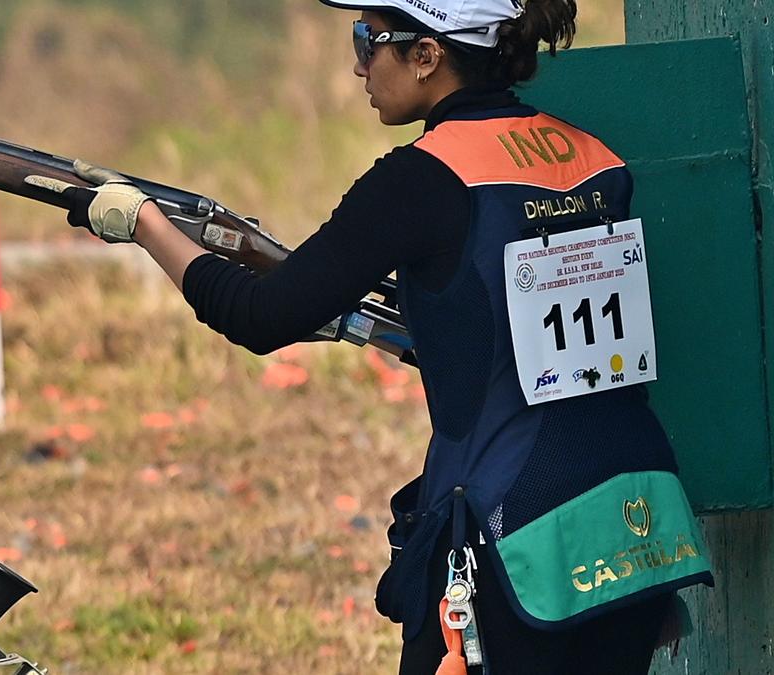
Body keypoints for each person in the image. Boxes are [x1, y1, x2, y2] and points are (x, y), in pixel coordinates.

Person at [35, 1, 714, 672]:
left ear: (428, 56)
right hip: (631, 528)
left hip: (510, 542)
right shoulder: (593, 157)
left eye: (369, 41)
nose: (360, 66)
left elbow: (262, 317)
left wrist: (145, 222)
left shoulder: (422, 176)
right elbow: (515, 334)